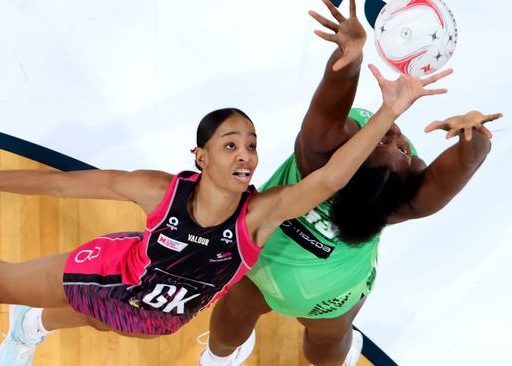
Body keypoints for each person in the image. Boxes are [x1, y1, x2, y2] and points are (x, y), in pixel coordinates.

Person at [0, 50, 449, 366]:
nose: (245, 155)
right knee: (1, 283)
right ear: (200, 156)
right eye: (230, 144)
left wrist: (390, 112)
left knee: (95, 318)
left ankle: (31, 328)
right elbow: (63, 186)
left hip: (159, 315)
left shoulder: (259, 213)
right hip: (112, 271)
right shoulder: (158, 191)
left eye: (250, 145)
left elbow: (331, 178)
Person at [199, 1, 503, 366]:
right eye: (401, 147)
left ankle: (217, 358)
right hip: (328, 292)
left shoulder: (318, 155)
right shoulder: (405, 202)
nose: (395, 135)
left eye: (384, 143)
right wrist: (473, 131)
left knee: (237, 307)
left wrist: (351, 56)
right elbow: (468, 160)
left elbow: (331, 99)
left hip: (261, 257)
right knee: (329, 339)